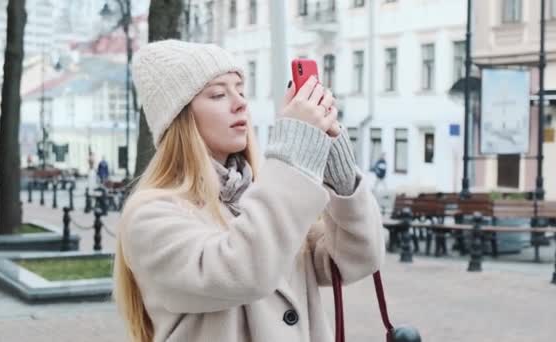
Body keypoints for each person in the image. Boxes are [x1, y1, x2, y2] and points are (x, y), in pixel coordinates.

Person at [113, 39, 385, 342]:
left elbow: (357, 259)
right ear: (179, 119)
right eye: (218, 93)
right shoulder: (151, 214)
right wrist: (293, 154)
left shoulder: (258, 198)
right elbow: (244, 272)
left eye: (240, 90)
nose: (240, 102)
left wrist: (341, 173)